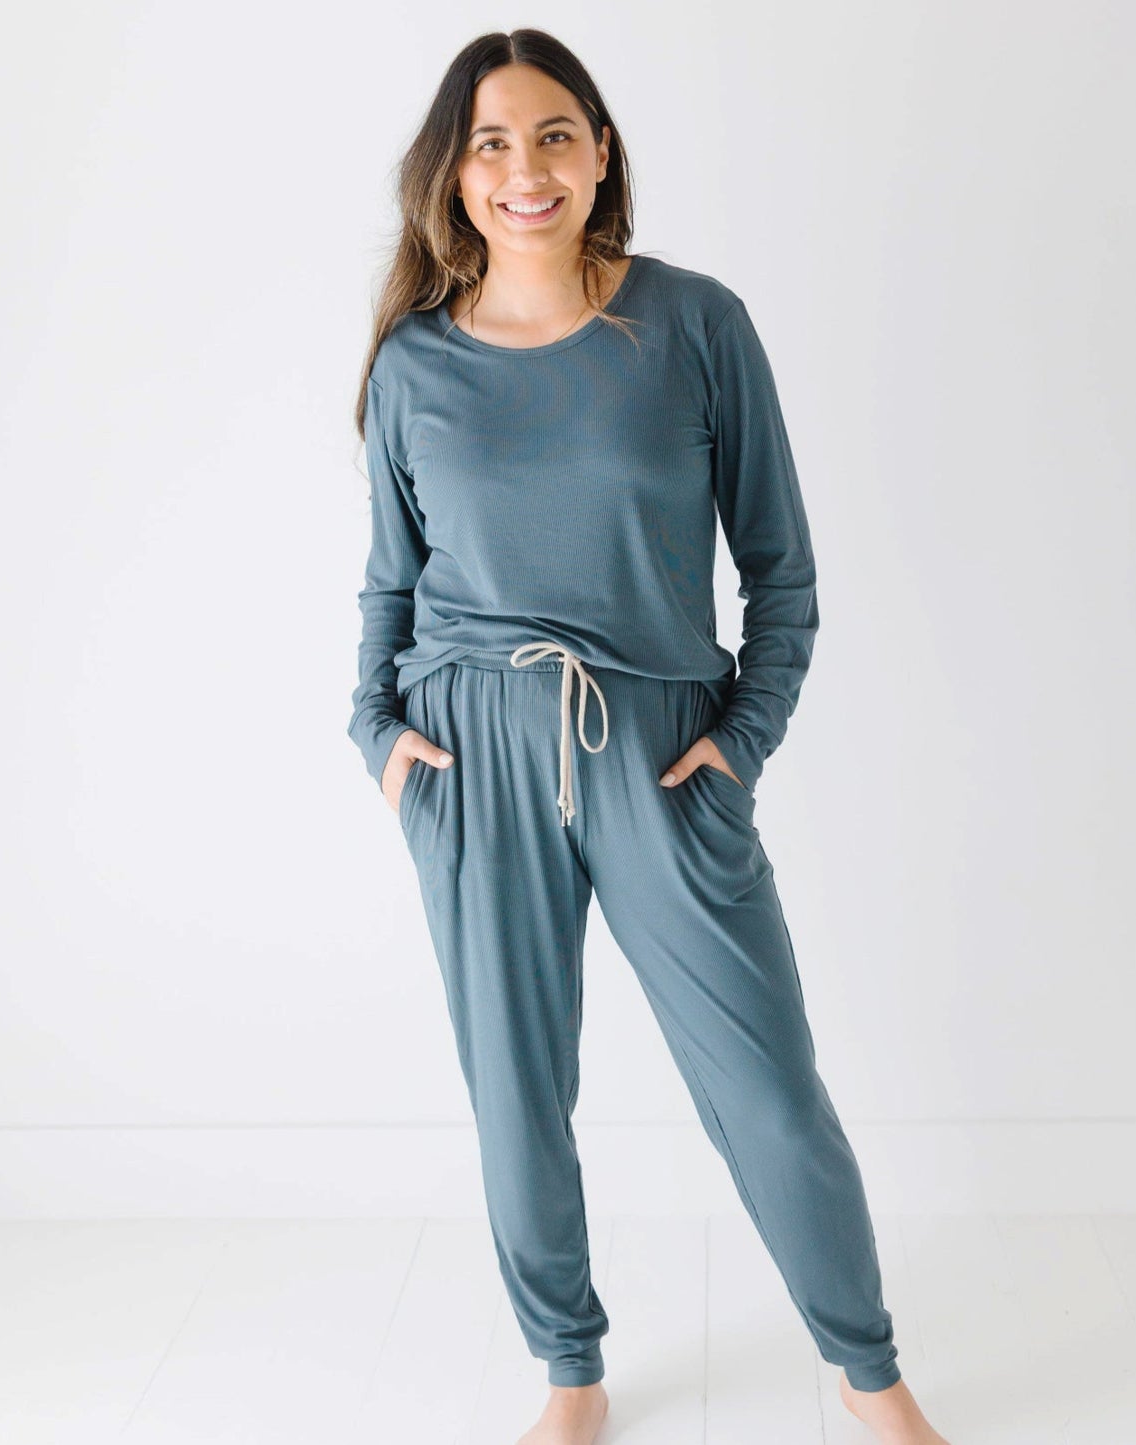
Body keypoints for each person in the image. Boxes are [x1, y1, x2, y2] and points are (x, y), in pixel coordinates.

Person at [347, 28, 952, 1445]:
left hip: (662, 750)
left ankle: (871, 1376)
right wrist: (377, 735)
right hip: (471, 752)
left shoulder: (693, 325)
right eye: (491, 144)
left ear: (600, 149)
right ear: (455, 176)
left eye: (553, 134)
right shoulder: (415, 365)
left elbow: (782, 573)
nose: (525, 169)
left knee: (767, 1089)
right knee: (517, 1091)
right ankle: (570, 1372)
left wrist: (740, 745)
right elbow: (387, 582)